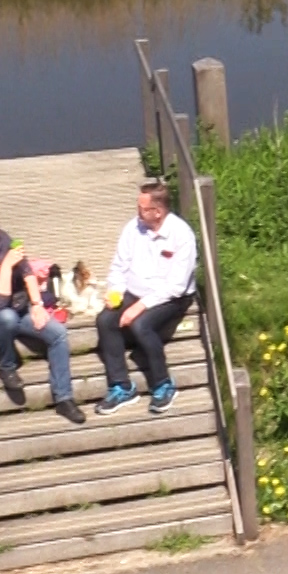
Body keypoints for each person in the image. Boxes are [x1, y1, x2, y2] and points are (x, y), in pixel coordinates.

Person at [0, 208, 84, 425]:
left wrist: (38, 305)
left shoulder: (2, 240)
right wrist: (6, 266)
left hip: (19, 307)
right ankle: (7, 367)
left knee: (58, 334)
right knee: (6, 317)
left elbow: (27, 272)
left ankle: (64, 398)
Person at [94, 179, 198, 417]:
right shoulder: (132, 228)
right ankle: (121, 386)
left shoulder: (181, 235)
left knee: (141, 325)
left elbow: (176, 286)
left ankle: (163, 384)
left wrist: (139, 306)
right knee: (105, 320)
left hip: (170, 298)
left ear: (158, 212)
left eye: (142, 208)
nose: (137, 212)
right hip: (134, 292)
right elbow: (119, 266)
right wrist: (115, 292)